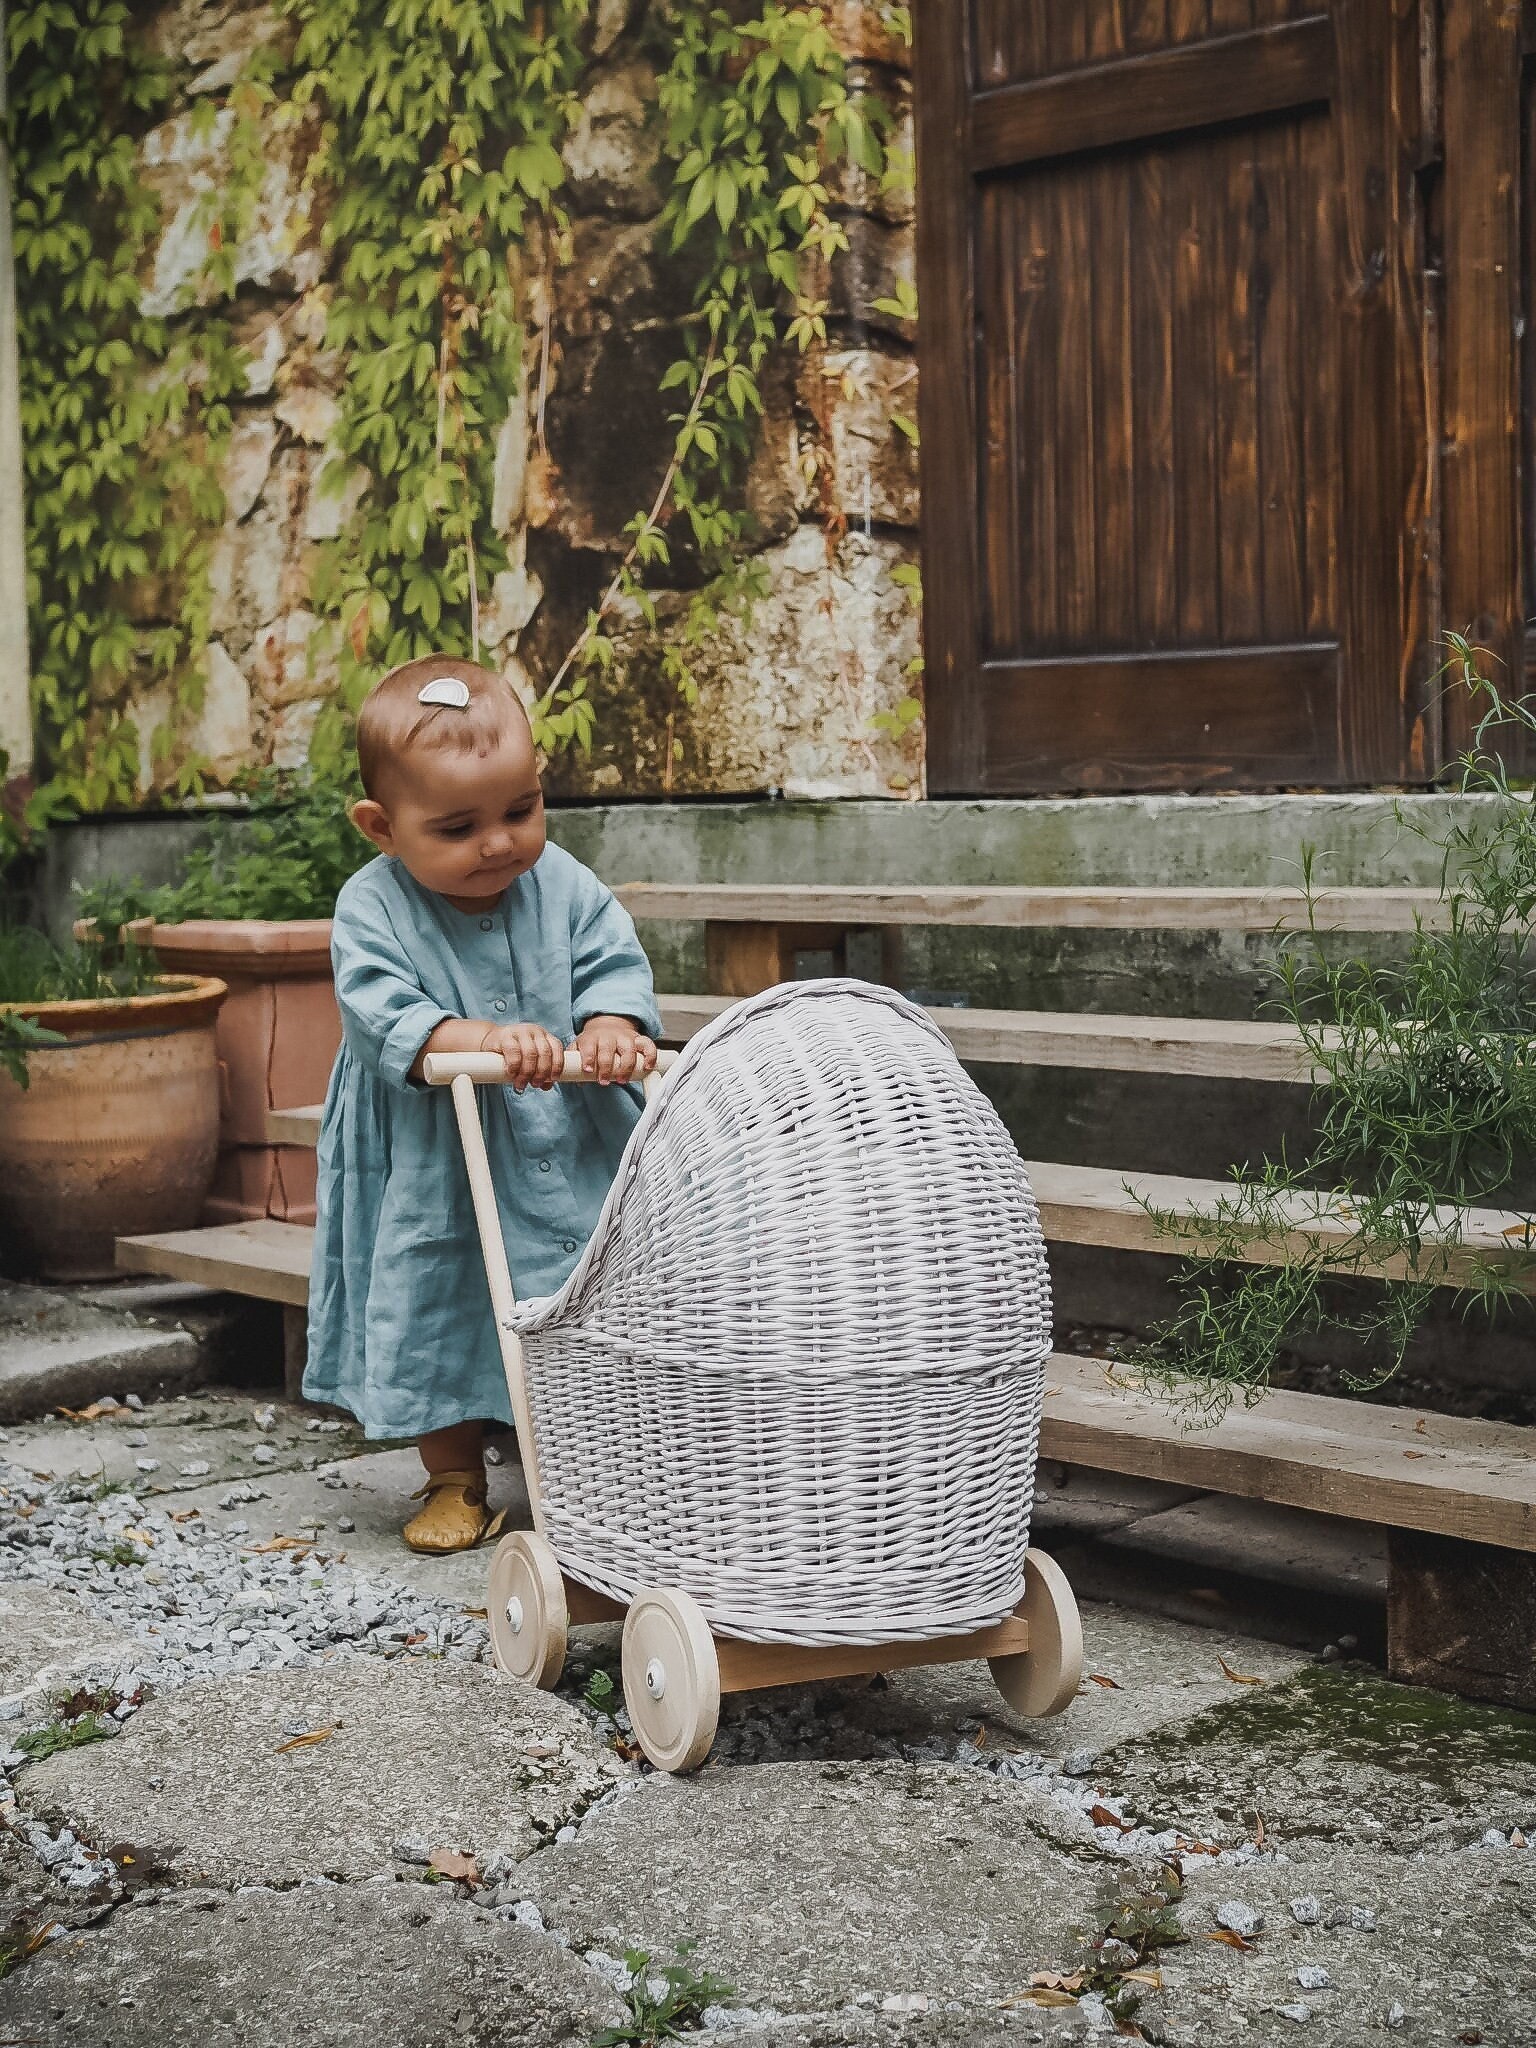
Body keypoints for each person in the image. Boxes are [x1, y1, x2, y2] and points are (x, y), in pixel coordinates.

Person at [303, 654, 661, 1553]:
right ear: (382, 827)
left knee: (588, 1283)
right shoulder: (370, 909)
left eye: (521, 811)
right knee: (439, 1290)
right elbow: (389, 1016)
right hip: (433, 1151)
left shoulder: (567, 886)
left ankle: (605, 1463)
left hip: (565, 1132)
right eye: (459, 826)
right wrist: (478, 1038)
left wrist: (611, 1024)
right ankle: (455, 1473)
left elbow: (608, 960)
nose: (499, 843)